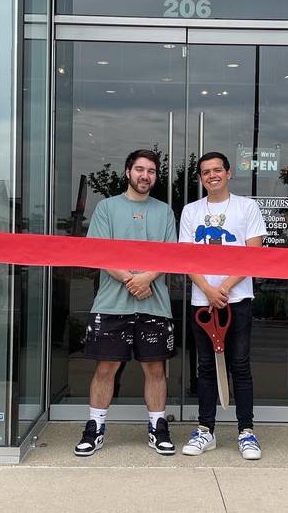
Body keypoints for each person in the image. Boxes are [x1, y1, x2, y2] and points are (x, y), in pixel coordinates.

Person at [74, 149, 177, 457]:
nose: (145, 176)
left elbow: (171, 254)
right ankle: (95, 428)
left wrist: (147, 279)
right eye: (140, 170)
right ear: (128, 171)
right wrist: (133, 281)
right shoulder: (107, 208)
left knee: (155, 369)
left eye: (152, 172)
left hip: (154, 305)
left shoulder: (165, 212)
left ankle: (158, 428)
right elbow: (99, 253)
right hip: (111, 305)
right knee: (106, 368)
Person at [179, 152, 267, 460]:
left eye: (217, 170)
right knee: (205, 368)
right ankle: (206, 430)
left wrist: (225, 288)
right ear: (201, 178)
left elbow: (253, 254)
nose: (212, 175)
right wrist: (207, 289)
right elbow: (186, 257)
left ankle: (246, 432)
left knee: (240, 366)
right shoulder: (191, 211)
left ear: (228, 173)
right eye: (206, 172)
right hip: (202, 302)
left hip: (237, 300)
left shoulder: (247, 207)